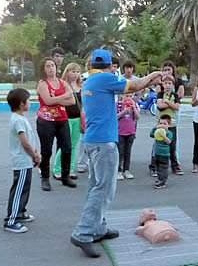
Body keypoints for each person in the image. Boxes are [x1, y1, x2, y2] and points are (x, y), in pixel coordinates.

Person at [70, 49, 162, 258]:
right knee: (104, 188)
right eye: (113, 66)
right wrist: (153, 76)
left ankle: (98, 228)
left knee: (96, 185)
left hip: (93, 139)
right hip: (104, 142)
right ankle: (83, 233)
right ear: (110, 66)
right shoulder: (105, 79)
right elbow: (136, 85)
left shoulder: (90, 81)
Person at [4, 88, 41, 233]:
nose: (30, 103)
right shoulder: (17, 120)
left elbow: (29, 140)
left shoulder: (21, 118)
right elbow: (25, 143)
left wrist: (36, 152)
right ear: (21, 104)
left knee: (25, 188)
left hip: (26, 160)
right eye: (28, 100)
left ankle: (20, 212)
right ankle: (11, 219)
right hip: (21, 160)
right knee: (19, 189)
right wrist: (34, 155)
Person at [35, 57, 76, 191]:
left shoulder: (62, 82)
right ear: (43, 69)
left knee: (67, 148)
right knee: (46, 150)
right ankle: (45, 178)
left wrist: (56, 100)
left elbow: (72, 101)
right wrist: (65, 95)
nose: (51, 68)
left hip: (62, 119)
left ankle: (65, 176)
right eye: (48, 66)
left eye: (52, 65)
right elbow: (47, 100)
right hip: (46, 121)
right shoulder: (42, 84)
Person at [52, 63, 85, 180]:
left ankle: (70, 169)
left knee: (73, 146)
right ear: (67, 72)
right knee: (64, 145)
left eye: (77, 72)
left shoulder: (81, 86)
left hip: (77, 118)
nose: (75, 74)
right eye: (73, 71)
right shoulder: (62, 85)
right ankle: (57, 169)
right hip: (65, 119)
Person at [155, 75, 181, 173]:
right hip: (161, 124)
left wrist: (167, 102)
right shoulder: (160, 94)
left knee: (172, 145)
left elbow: (177, 107)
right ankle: (156, 165)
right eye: (165, 83)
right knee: (159, 144)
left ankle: (175, 166)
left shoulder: (175, 95)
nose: (167, 85)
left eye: (169, 83)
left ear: (173, 85)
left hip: (172, 124)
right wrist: (170, 103)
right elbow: (160, 106)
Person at [117, 92, 140, 180]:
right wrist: (124, 111)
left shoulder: (133, 105)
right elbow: (115, 117)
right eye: (127, 96)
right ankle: (118, 170)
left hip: (131, 132)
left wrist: (133, 108)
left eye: (130, 96)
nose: (129, 98)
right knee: (120, 152)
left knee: (128, 152)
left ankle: (126, 170)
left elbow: (138, 117)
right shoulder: (117, 105)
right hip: (120, 132)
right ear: (121, 96)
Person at [150, 114, 174, 189]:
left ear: (168, 125)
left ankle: (162, 181)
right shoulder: (157, 131)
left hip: (164, 154)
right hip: (157, 152)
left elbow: (169, 142)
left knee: (163, 167)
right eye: (160, 123)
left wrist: (163, 136)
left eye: (164, 124)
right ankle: (160, 179)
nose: (162, 125)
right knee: (158, 167)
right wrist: (155, 128)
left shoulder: (168, 133)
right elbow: (151, 135)